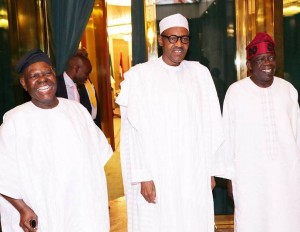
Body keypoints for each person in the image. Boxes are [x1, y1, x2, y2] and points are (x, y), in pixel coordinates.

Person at [116, 13, 224, 232]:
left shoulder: (200, 74)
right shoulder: (140, 76)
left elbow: (212, 125)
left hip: (193, 168)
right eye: (172, 38)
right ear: (160, 40)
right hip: (157, 169)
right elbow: (133, 133)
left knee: (193, 219)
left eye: (184, 39)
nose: (179, 44)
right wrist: (143, 175)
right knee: (159, 222)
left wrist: (210, 170)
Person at [0, 48, 112, 231]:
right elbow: (3, 173)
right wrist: (23, 209)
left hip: (79, 208)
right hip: (42, 209)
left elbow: (98, 158)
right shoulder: (14, 121)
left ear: (54, 75)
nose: (42, 79)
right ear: (24, 83)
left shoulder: (78, 111)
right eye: (34, 76)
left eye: (47, 73)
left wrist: (98, 199)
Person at [222, 32, 300, 231]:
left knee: (287, 220)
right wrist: (230, 178)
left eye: (271, 58)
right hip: (249, 177)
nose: (267, 63)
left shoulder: (288, 90)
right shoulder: (236, 92)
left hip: (286, 175)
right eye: (261, 59)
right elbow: (227, 139)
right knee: (252, 221)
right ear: (249, 65)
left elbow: (297, 134)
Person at [56, 54, 101, 126]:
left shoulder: (81, 86)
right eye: (86, 73)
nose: (87, 77)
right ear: (76, 68)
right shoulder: (55, 86)